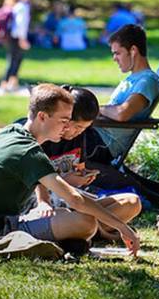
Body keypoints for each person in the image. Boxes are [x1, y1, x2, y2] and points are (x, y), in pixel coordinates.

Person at [0, 83, 140, 255]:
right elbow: (75, 199)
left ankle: (72, 237)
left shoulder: (12, 131)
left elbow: (73, 196)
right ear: (42, 117)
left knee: (113, 207)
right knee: (86, 222)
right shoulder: (29, 152)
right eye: (63, 120)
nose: (66, 127)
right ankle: (74, 237)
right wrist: (123, 228)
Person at [33, 87, 141, 239]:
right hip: (49, 203)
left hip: (73, 200)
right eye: (77, 127)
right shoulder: (44, 138)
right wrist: (67, 181)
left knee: (132, 201)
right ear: (66, 118)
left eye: (84, 128)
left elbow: (79, 170)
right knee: (85, 218)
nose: (80, 132)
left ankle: (88, 231)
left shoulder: (78, 137)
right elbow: (37, 186)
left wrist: (83, 176)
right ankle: (95, 230)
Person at [91, 24, 159, 163]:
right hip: (94, 136)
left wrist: (96, 109)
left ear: (133, 50)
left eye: (117, 53)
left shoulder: (146, 81)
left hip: (101, 144)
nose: (114, 58)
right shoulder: (132, 78)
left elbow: (123, 113)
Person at [0, 0, 31, 92]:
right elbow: (20, 25)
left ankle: (12, 83)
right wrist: (22, 39)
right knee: (15, 61)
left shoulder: (13, 5)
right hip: (17, 37)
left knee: (14, 60)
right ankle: (6, 82)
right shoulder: (22, 7)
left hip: (11, 37)